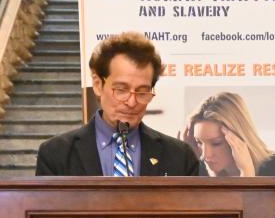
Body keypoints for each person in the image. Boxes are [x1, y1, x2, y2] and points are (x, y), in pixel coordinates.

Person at [35, 32, 199, 178]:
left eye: (142, 92)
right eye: (121, 90)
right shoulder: (56, 154)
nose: (132, 102)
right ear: (98, 85)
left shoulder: (179, 157)